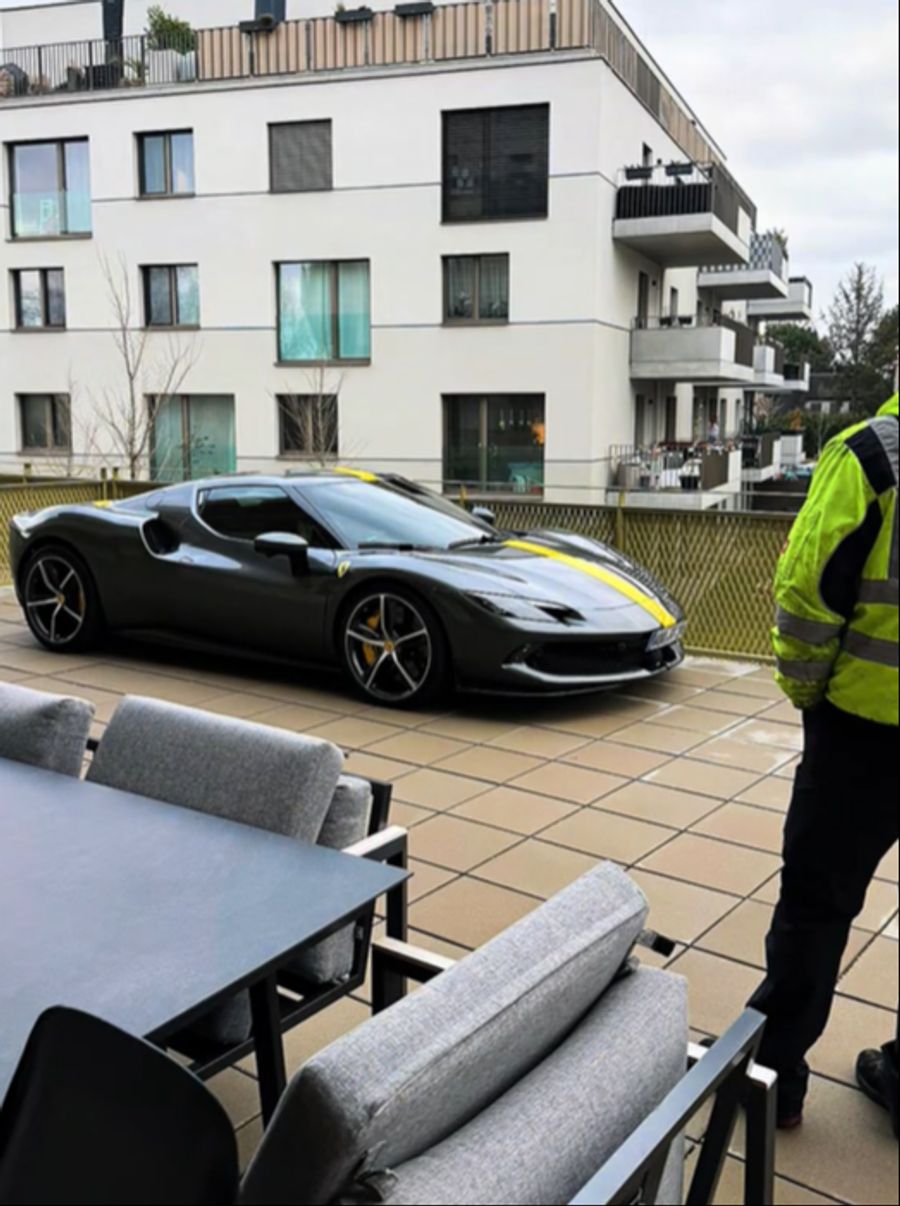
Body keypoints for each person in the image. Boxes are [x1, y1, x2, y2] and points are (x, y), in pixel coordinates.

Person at [750, 392, 899, 1135]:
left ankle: (775, 1078)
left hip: (865, 736)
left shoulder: (871, 456)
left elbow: (807, 597)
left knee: (815, 907)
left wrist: (810, 695)